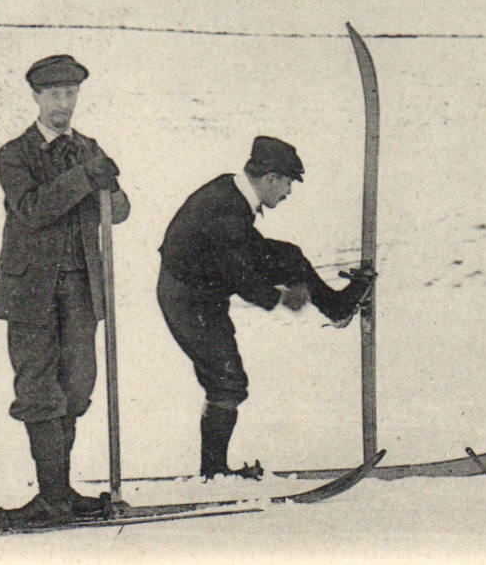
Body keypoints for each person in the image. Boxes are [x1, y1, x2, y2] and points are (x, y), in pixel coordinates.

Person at [157, 136, 374, 479]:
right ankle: (213, 473)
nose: (287, 193)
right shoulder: (228, 210)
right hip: (188, 299)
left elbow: (241, 256)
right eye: (288, 183)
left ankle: (337, 308)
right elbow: (240, 275)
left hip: (208, 281)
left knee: (289, 256)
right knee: (228, 381)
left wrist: (288, 281)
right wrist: (281, 298)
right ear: (271, 178)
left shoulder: (232, 192)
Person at [0, 54, 129, 528]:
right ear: (36, 97)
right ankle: (51, 497)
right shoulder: (15, 153)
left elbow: (120, 210)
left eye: (70, 94)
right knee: (38, 387)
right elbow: (31, 208)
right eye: (53, 94)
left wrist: (108, 181)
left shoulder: (88, 148)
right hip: (30, 289)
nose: (63, 103)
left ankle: (61, 494)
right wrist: (85, 177)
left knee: (77, 386)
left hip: (81, 288)